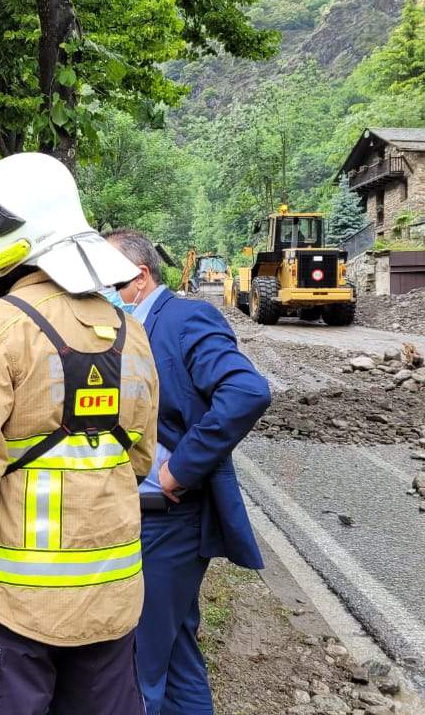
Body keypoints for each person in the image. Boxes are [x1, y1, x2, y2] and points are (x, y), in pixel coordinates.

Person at [0, 152, 158, 715]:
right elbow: (138, 461)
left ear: (2, 251)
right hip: (112, 605)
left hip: (16, 615)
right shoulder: (129, 331)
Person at [104, 230, 271, 715]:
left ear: (139, 275)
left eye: (107, 275)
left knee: (138, 664)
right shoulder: (126, 326)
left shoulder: (184, 317)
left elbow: (247, 391)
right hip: (151, 518)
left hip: (168, 519)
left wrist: (179, 469)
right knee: (177, 654)